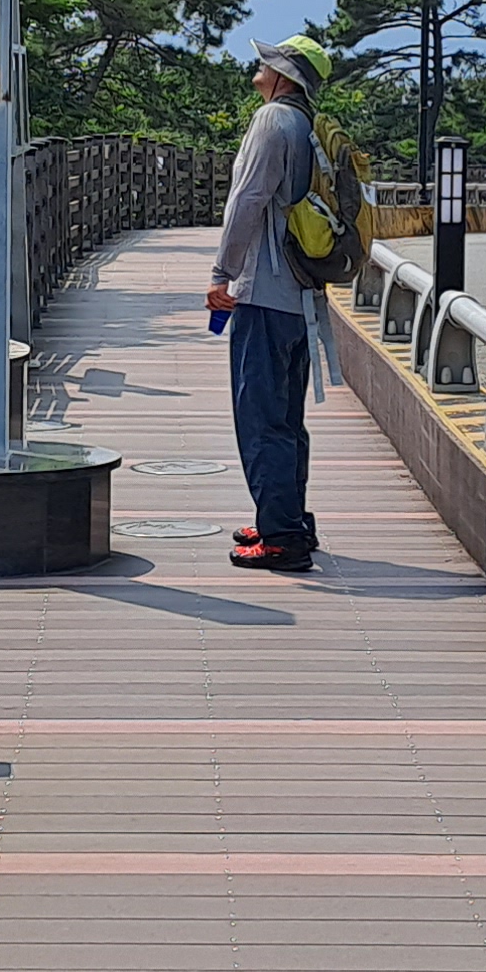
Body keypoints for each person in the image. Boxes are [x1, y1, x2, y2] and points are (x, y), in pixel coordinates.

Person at [208, 33, 330, 570]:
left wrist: (222, 273)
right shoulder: (306, 125)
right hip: (301, 294)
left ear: (283, 76)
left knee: (261, 418)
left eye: (268, 62)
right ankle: (288, 517)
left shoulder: (272, 121)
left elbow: (248, 200)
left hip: (264, 290)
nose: (258, 66)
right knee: (286, 416)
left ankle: (281, 539)